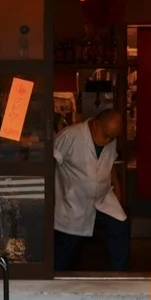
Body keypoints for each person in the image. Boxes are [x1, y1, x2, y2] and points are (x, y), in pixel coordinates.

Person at [52, 108, 130, 272]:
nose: (109, 140)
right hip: (73, 201)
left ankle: (119, 274)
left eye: (112, 137)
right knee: (66, 248)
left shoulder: (111, 140)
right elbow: (50, 162)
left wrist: (118, 191)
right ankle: (56, 282)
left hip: (102, 199)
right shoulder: (70, 136)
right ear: (95, 124)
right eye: (106, 135)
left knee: (120, 227)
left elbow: (110, 166)